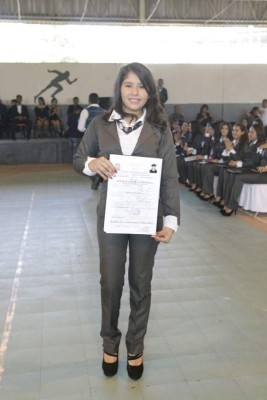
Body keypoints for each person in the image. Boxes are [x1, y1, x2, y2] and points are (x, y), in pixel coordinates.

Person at [73, 62, 180, 380]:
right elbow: (78, 159)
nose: (135, 92)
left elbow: (170, 176)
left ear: (151, 93)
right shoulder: (100, 123)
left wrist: (171, 220)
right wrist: (94, 163)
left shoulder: (160, 127)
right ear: (119, 89)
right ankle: (110, 343)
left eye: (142, 86)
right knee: (110, 283)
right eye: (129, 85)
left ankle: (135, 347)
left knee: (140, 284)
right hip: (113, 218)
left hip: (148, 219)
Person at [78, 93, 106, 190]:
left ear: (89, 100)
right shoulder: (105, 112)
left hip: (89, 141)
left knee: (85, 161)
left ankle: (94, 177)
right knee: (102, 160)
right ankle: (99, 177)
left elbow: (80, 128)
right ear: (98, 101)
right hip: (103, 140)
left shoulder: (85, 111)